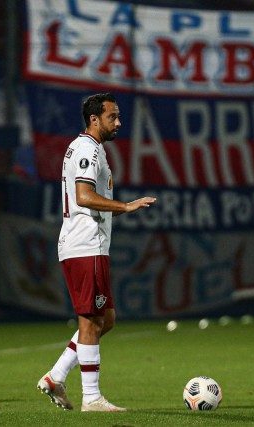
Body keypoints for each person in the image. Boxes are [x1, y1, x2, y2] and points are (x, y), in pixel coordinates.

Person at [37, 93, 156, 412]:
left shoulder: (89, 148)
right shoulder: (88, 149)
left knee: (106, 319)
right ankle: (92, 398)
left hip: (90, 245)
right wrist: (126, 205)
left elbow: (88, 201)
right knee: (91, 320)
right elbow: (84, 196)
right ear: (94, 119)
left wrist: (120, 209)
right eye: (113, 116)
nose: (119, 122)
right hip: (84, 244)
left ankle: (56, 376)